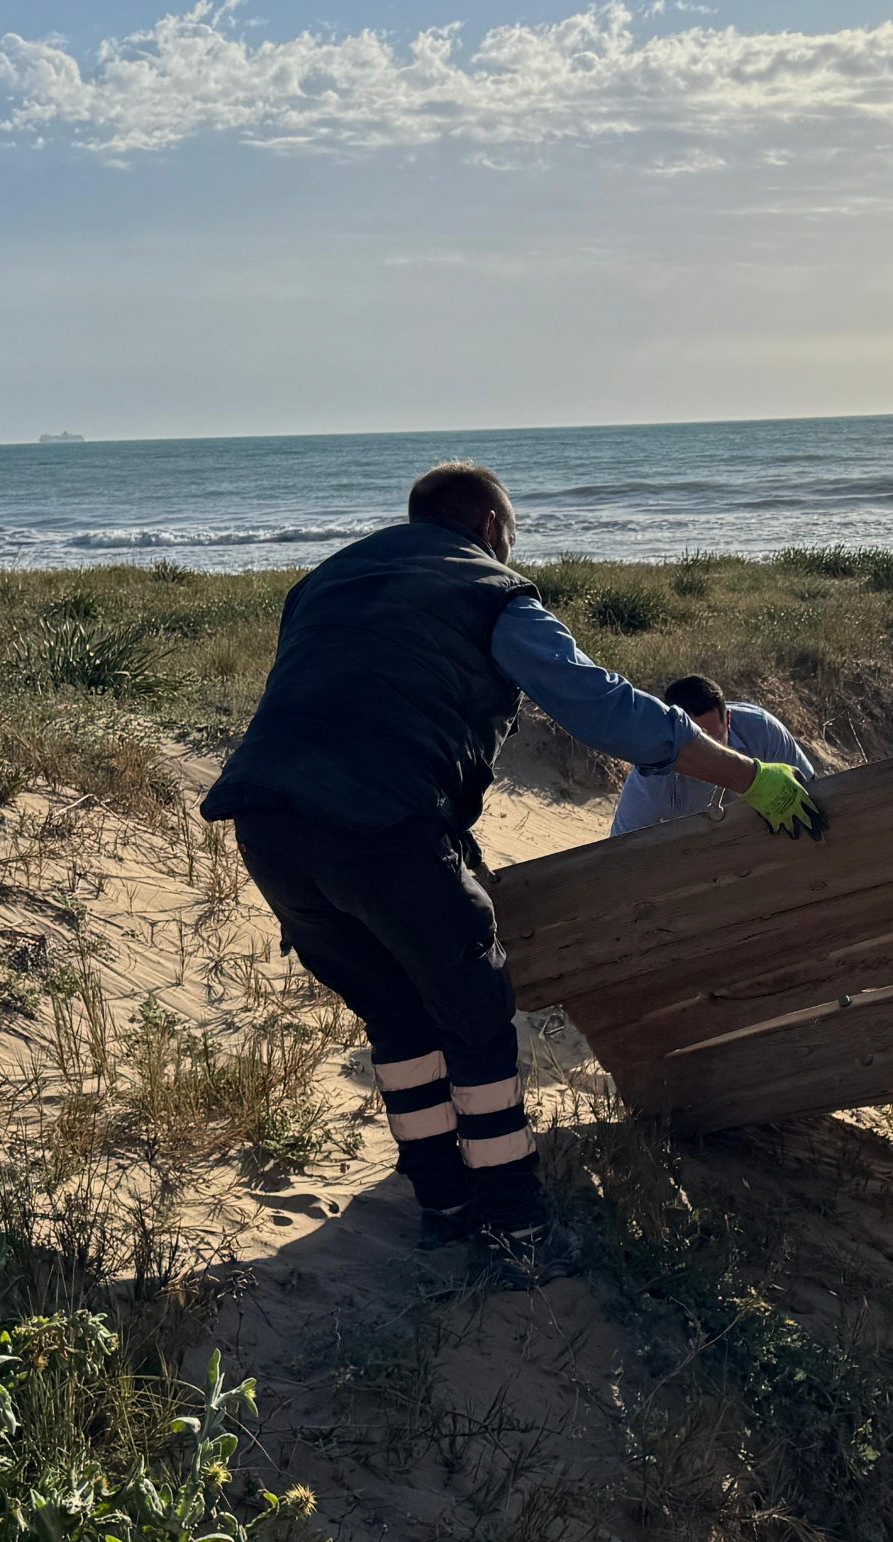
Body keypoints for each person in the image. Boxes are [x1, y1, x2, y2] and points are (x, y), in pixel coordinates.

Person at [201, 462, 825, 1268]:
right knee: (474, 1012)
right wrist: (749, 775)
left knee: (397, 1019)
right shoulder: (490, 589)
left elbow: (346, 705)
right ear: (493, 529)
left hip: (267, 828)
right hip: (383, 824)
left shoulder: (322, 583)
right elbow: (601, 705)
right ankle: (516, 1222)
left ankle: (443, 1203)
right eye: (512, 536)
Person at [611, 677, 817, 836]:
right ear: (671, 734)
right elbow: (621, 848)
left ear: (728, 720)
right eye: (695, 743)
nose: (706, 750)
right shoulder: (652, 772)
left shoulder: (763, 731)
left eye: (714, 738)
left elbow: (814, 791)